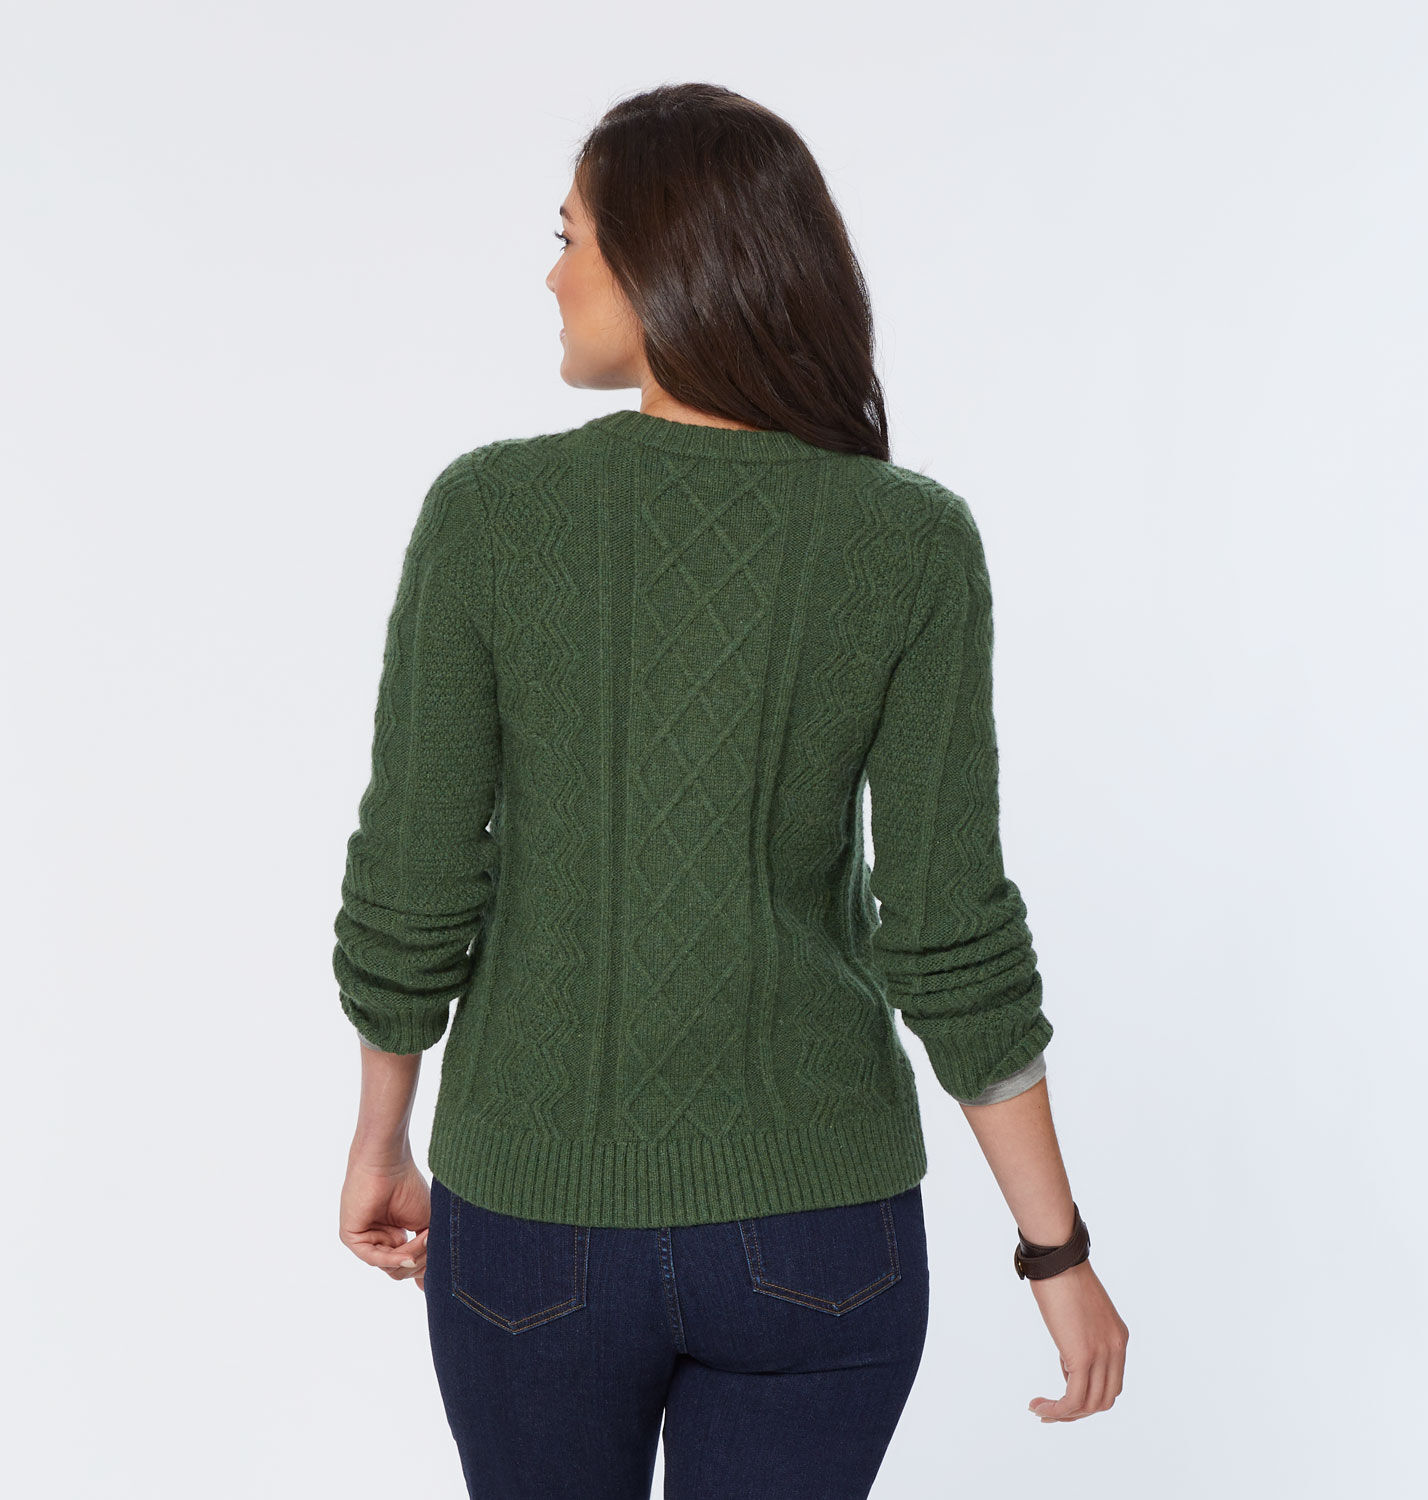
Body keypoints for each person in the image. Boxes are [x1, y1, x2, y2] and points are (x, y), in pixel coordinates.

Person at [332, 82, 1127, 1499]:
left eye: (570, 235)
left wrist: (381, 1133)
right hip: (820, 1229)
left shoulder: (490, 515)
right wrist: (1055, 1252)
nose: (552, 273)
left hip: (536, 1218)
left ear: (657, 257)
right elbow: (947, 928)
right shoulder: (909, 539)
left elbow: (415, 875)